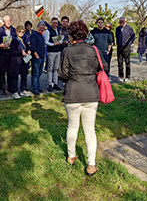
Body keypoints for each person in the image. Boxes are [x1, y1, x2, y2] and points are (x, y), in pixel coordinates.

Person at [58, 20, 107, 177]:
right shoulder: (94, 50)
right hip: (90, 93)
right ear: (86, 34)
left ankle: (71, 156)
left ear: (71, 34)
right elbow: (104, 67)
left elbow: (62, 75)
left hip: (72, 92)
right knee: (89, 129)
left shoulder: (67, 51)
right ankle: (91, 165)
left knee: (72, 126)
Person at [0, 15, 16, 95]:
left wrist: (12, 43)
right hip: (2, 53)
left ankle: (10, 87)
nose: (8, 22)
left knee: (10, 71)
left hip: (11, 53)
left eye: (10, 21)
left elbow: (17, 40)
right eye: (7, 21)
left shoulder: (13, 30)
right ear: (4, 22)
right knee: (2, 71)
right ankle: (2, 87)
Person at [9, 25, 31, 99]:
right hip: (16, 61)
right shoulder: (14, 40)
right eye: (19, 31)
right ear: (16, 32)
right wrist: (20, 53)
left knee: (24, 76)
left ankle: (23, 90)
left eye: (22, 32)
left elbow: (26, 47)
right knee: (15, 76)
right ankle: (14, 91)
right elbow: (11, 52)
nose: (21, 33)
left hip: (24, 61)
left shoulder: (24, 40)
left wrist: (28, 50)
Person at [44, 17, 63, 92]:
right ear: (51, 23)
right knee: (50, 68)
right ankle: (49, 84)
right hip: (51, 51)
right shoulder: (47, 31)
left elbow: (60, 38)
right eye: (53, 22)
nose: (55, 24)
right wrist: (53, 44)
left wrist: (60, 42)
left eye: (56, 23)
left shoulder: (58, 30)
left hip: (58, 51)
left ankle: (55, 83)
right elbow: (46, 42)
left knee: (56, 68)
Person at [115, 17, 135, 82]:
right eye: (120, 21)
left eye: (122, 21)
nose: (121, 22)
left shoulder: (129, 28)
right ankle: (121, 76)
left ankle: (127, 77)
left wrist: (130, 43)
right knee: (120, 63)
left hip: (126, 47)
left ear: (125, 22)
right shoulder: (117, 29)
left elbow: (133, 36)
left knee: (127, 63)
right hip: (119, 47)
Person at [30, 21, 46, 95]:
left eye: (43, 28)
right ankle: (35, 88)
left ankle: (38, 87)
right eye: (40, 27)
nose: (42, 29)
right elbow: (33, 47)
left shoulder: (41, 36)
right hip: (37, 58)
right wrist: (36, 56)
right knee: (35, 74)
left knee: (39, 73)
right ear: (37, 27)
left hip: (42, 57)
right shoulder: (34, 35)